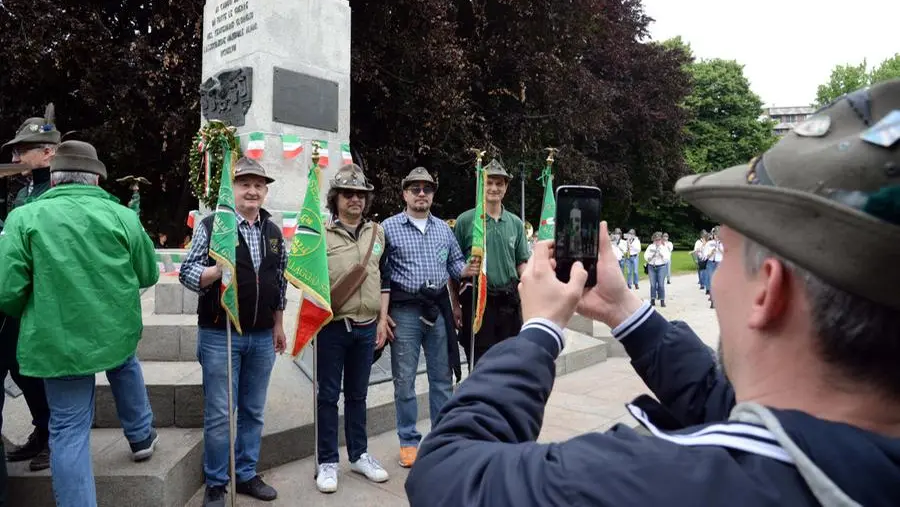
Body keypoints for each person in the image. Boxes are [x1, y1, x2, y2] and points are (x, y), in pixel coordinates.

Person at [404, 79, 900, 507]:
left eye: (724, 254)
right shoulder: (860, 450)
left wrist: (539, 332)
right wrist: (625, 311)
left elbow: (447, 472)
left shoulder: (650, 483)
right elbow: (723, 402)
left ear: (767, 291)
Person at [0, 141, 160, 507]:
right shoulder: (123, 216)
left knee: (69, 429)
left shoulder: (23, 218)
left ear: (54, 181)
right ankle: (140, 437)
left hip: (57, 339)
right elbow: (148, 272)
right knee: (124, 364)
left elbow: (8, 292)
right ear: (97, 181)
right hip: (114, 330)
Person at [179, 157, 287, 507]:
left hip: (260, 336)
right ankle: (216, 481)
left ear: (265, 190)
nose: (252, 190)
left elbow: (279, 281)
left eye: (259, 185)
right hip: (219, 333)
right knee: (222, 412)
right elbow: (187, 272)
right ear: (233, 189)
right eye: (245, 184)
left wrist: (279, 324)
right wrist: (214, 271)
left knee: (254, 410)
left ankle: (245, 473)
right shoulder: (213, 226)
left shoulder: (272, 230)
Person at [381, 167, 476, 468]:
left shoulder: (444, 230)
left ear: (433, 194)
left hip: (438, 310)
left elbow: (455, 266)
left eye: (427, 189)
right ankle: (409, 440)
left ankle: (442, 439)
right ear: (404, 193)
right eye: (415, 188)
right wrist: (381, 314)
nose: (421, 193)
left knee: (442, 378)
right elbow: (378, 274)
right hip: (404, 311)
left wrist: (469, 269)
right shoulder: (388, 228)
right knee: (405, 380)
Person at [315, 164, 390, 493]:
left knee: (358, 395)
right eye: (349, 194)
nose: (355, 200)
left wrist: (381, 319)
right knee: (328, 396)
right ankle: (327, 461)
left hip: (365, 327)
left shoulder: (377, 233)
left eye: (361, 195)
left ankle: (359, 454)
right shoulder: (319, 232)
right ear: (336, 198)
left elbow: (381, 276)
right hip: (332, 327)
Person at [0, 114, 59, 472]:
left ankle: (54, 434)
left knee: (39, 367)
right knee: (18, 367)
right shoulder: (22, 192)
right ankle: (41, 428)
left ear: (48, 152)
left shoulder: (60, 189)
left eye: (24, 148)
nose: (18, 155)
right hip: (16, 293)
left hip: (46, 295)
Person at [453, 159, 530, 367]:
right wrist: (455, 305)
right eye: (489, 182)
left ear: (506, 188)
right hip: (478, 303)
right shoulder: (466, 221)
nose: (494, 188)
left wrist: (535, 281)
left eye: (499, 183)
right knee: (480, 364)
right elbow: (453, 267)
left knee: (510, 363)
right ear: (481, 185)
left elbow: (522, 263)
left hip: (509, 303)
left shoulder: (515, 223)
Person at [643, 232, 670, 307]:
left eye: (658, 240)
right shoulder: (650, 247)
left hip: (661, 267)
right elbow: (646, 256)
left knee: (661, 284)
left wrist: (661, 255)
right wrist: (651, 256)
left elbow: (667, 258)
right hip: (652, 266)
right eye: (656, 240)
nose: (657, 241)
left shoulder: (664, 247)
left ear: (661, 240)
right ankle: (652, 299)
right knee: (652, 284)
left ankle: (662, 300)